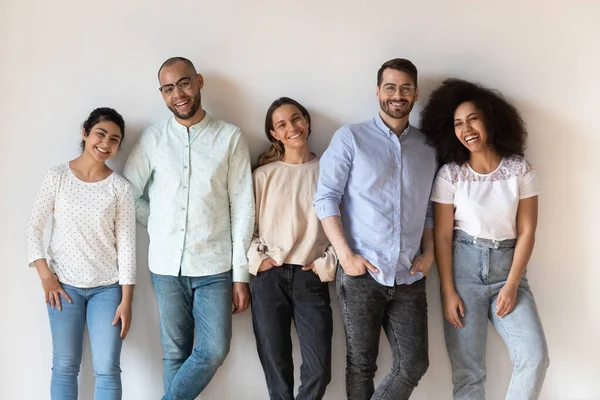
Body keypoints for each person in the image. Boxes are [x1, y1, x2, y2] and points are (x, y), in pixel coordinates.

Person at [123, 57, 254, 400]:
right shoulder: (153, 139)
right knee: (174, 354)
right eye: (168, 89)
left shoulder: (230, 137)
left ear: (198, 82)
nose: (177, 94)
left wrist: (241, 275)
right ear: (162, 94)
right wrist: (158, 223)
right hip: (165, 266)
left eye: (183, 83)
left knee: (213, 350)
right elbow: (129, 193)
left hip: (215, 266)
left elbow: (242, 207)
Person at [314, 58, 436, 400]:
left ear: (415, 92)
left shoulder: (428, 148)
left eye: (406, 87)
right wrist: (346, 256)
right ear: (378, 91)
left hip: (409, 274)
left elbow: (428, 208)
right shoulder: (350, 138)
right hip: (361, 272)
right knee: (361, 364)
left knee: (414, 363)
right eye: (390, 87)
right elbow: (325, 199)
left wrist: (428, 254)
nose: (398, 95)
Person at [421, 78, 549, 399]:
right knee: (469, 374)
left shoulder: (519, 170)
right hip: (463, 272)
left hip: (509, 270)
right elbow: (442, 235)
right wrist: (448, 290)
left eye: (472, 118)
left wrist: (512, 284)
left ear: (490, 119)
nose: (466, 128)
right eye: (458, 123)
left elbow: (528, 231)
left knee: (534, 358)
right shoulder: (450, 174)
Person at [26, 107, 136, 400]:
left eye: (114, 139)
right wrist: (46, 277)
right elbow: (33, 228)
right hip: (64, 289)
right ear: (85, 133)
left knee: (107, 369)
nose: (106, 143)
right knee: (64, 367)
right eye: (101, 134)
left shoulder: (120, 189)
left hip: (107, 290)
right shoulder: (57, 177)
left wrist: (127, 300)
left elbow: (126, 247)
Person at [249, 97, 336, 400]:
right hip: (269, 277)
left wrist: (326, 264)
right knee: (276, 367)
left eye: (296, 119)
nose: (292, 128)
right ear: (274, 133)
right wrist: (258, 260)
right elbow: (246, 228)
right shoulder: (263, 175)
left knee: (320, 368)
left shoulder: (329, 171)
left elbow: (346, 228)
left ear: (307, 121)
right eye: (282, 124)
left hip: (310, 276)